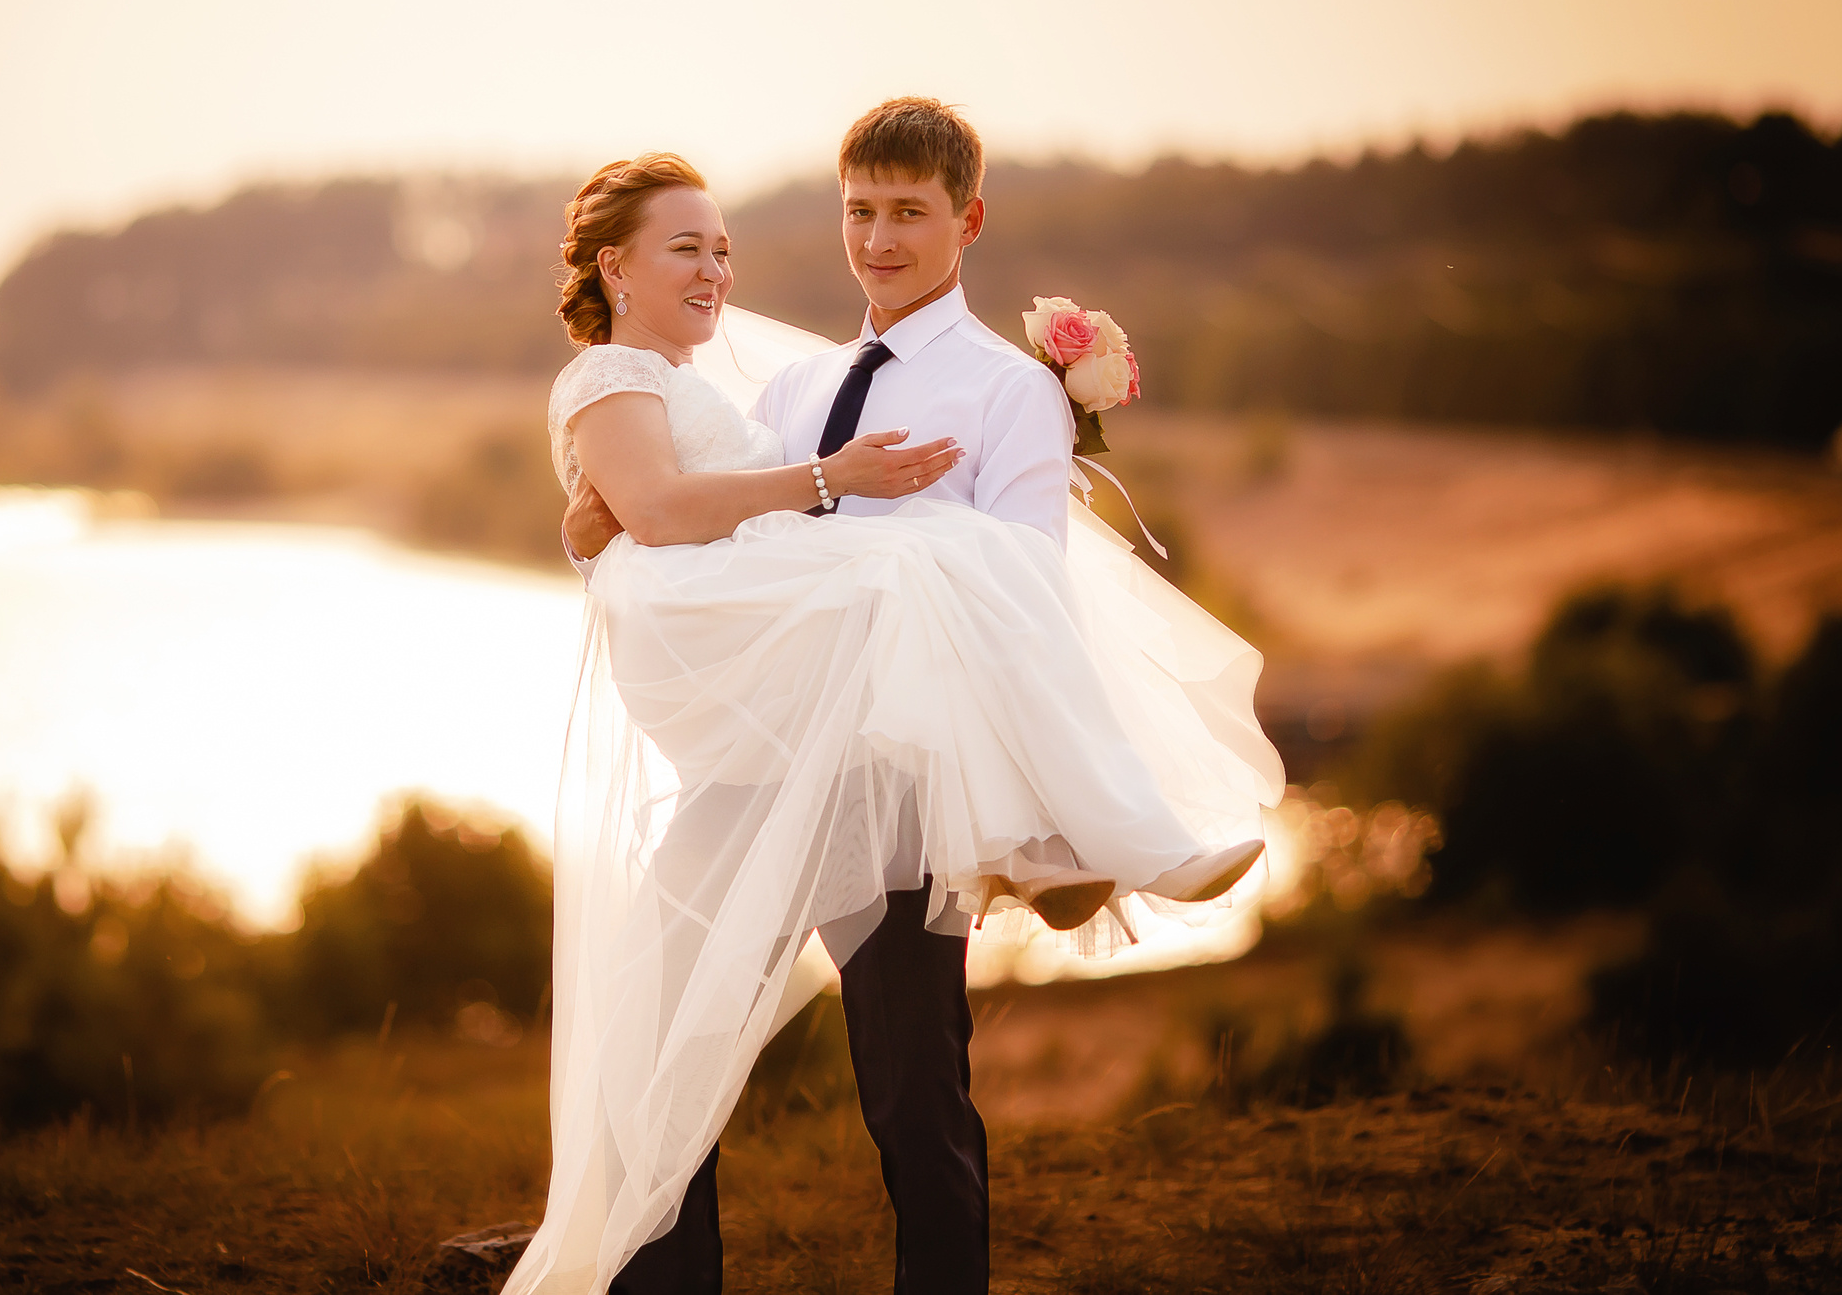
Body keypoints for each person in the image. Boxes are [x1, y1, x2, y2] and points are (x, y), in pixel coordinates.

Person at [508, 104, 1281, 1295]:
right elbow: (715, 517)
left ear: (965, 223)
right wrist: (594, 513)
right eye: (860, 213)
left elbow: (1029, 591)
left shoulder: (1009, 392)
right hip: (755, 761)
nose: (877, 239)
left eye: (908, 214)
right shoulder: (798, 383)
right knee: (657, 1048)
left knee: (913, 1092)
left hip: (891, 784)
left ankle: (1101, 830)